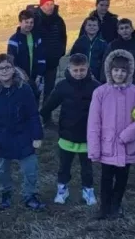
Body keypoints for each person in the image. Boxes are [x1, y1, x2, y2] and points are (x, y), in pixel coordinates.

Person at [87, 50, 135, 220]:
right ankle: (104, 207)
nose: (119, 74)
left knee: (122, 178)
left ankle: (116, 205)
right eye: (116, 70)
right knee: (106, 178)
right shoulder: (100, 92)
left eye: (123, 70)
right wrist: (94, 149)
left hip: (127, 145)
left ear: (129, 72)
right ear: (109, 70)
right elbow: (94, 123)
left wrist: (127, 134)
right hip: (107, 145)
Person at [0, 54, 46, 211]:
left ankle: (30, 195)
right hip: (0, 138)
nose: (4, 71)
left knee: (30, 169)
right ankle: (5, 194)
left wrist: (37, 135)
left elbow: (33, 114)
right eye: (0, 68)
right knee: (2, 170)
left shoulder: (24, 89)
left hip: (23, 136)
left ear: (13, 68)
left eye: (7, 67)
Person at [41, 52, 101, 206]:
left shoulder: (96, 88)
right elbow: (50, 104)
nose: (79, 73)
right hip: (67, 135)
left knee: (87, 168)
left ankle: (88, 190)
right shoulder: (62, 86)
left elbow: (105, 110)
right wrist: (40, 116)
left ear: (88, 68)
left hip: (88, 136)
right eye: (76, 70)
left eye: (82, 70)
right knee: (64, 166)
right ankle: (62, 189)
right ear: (69, 69)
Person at [28, 0, 68, 123]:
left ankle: (47, 117)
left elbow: (63, 37)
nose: (50, 7)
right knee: (35, 90)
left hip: (52, 61)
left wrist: (61, 51)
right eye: (47, 4)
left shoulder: (58, 20)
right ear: (41, 5)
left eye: (51, 4)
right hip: (37, 63)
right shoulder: (35, 19)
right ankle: (32, 118)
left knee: (50, 91)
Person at [7, 9, 47, 97]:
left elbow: (41, 57)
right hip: (21, 79)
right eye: (26, 22)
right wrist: (22, 75)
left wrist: (39, 75)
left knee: (35, 102)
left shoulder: (36, 38)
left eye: (31, 22)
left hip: (36, 78)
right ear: (20, 23)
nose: (29, 25)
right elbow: (11, 61)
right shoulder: (14, 40)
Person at [105, 18, 135, 92]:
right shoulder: (113, 45)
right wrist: (106, 81)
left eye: (127, 27)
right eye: (122, 28)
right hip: (116, 82)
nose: (124, 30)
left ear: (132, 29)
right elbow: (106, 63)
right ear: (118, 31)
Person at [70, 15, 108, 87]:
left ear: (98, 27)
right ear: (85, 27)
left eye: (94, 25)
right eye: (89, 25)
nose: (92, 27)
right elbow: (73, 57)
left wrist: (103, 76)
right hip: (81, 74)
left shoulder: (103, 43)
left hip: (97, 76)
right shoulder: (79, 41)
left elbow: (106, 60)